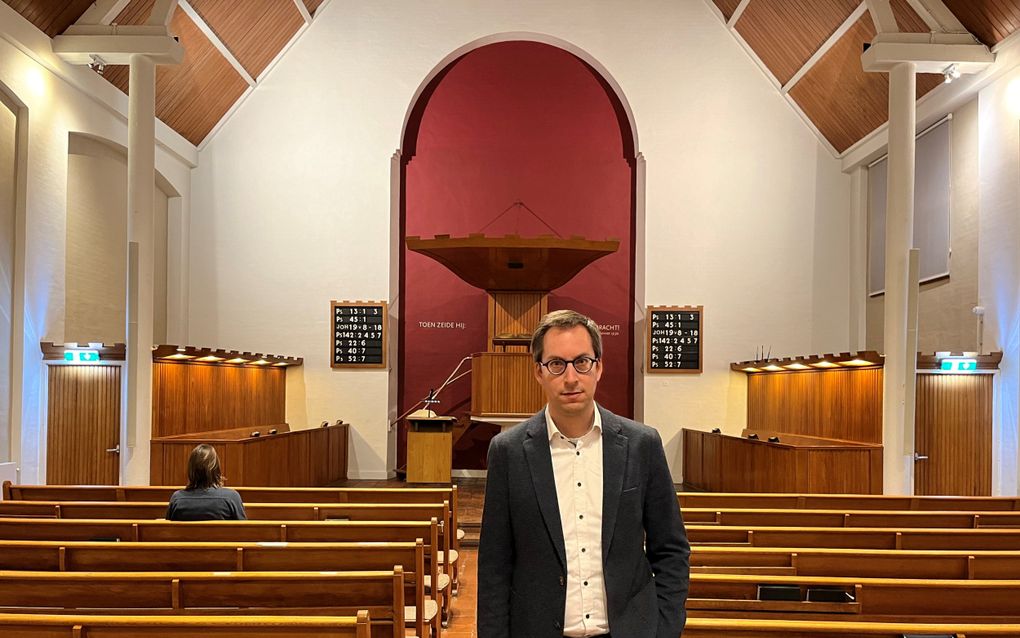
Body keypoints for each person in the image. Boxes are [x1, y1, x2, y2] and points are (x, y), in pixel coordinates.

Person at [478, 309, 690, 638]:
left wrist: (664, 628)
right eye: (556, 364)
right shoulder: (508, 451)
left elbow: (671, 548)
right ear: (539, 372)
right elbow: (494, 564)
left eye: (582, 362)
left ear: (599, 366)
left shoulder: (641, 444)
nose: (571, 377)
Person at [165, 444, 247, 521]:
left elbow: (168, 529)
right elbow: (244, 531)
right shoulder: (231, 497)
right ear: (216, 469)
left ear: (191, 470)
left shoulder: (177, 499)